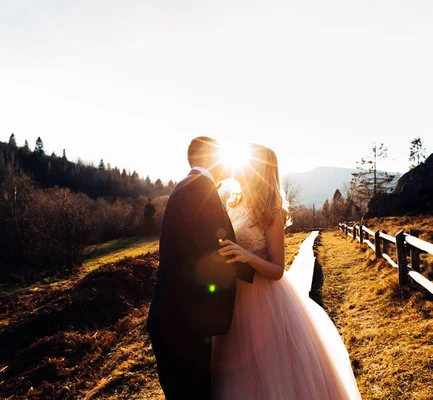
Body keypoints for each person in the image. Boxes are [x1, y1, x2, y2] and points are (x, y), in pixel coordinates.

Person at [212, 143, 361, 400]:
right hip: (234, 297)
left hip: (264, 299)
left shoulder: (272, 212)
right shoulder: (234, 202)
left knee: (267, 370)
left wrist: (247, 256)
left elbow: (278, 269)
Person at [146, 137, 254, 400]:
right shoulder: (197, 191)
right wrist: (257, 271)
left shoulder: (193, 187)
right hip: (182, 326)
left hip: (180, 321)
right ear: (208, 157)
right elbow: (215, 253)